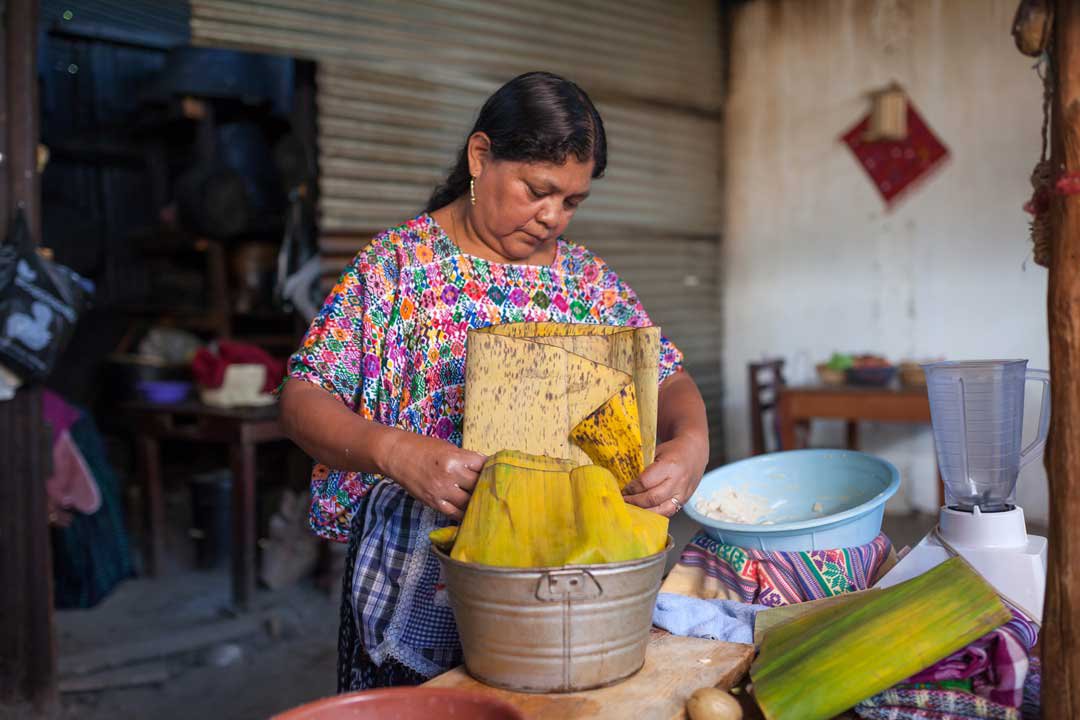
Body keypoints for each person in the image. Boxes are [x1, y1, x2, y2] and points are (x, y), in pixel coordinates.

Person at [279, 71, 710, 691]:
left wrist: (691, 443)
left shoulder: (587, 283)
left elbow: (670, 380)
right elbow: (302, 398)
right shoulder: (401, 267)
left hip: (565, 582)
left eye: (572, 201)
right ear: (481, 157)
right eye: (539, 191)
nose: (552, 217)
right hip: (416, 575)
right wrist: (396, 451)